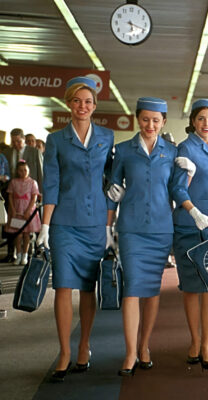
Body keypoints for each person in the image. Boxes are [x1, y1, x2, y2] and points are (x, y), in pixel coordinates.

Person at [37, 76, 114, 382]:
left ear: (94, 106)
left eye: (88, 102)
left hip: (95, 221)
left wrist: (112, 211)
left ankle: (84, 345)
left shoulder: (107, 137)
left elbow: (112, 178)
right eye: (77, 101)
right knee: (63, 287)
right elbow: (51, 184)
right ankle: (64, 352)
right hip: (63, 223)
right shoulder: (56, 140)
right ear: (68, 104)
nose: (83, 106)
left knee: (87, 287)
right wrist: (44, 224)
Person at [107, 97, 188, 376]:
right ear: (137, 119)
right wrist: (108, 227)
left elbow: (177, 191)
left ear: (164, 122)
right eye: (145, 119)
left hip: (161, 228)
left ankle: (144, 346)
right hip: (130, 228)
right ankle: (130, 353)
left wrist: (190, 174)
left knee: (152, 291)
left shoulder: (173, 152)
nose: (150, 125)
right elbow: (113, 190)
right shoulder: (123, 150)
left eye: (156, 120)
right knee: (132, 288)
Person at [172, 99, 208, 370]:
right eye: (202, 119)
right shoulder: (186, 148)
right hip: (191, 224)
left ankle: (207, 345)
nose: (207, 124)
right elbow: (177, 187)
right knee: (192, 287)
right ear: (193, 122)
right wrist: (193, 211)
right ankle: (195, 342)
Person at [6, 161, 41, 265]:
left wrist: (28, 211)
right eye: (21, 170)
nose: (23, 172)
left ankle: (25, 255)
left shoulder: (32, 182)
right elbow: (10, 196)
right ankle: (18, 254)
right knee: (18, 234)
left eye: (25, 170)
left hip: (28, 211)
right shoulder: (13, 182)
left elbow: (34, 197)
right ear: (17, 171)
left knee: (27, 234)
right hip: (17, 210)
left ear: (29, 171)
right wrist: (12, 209)